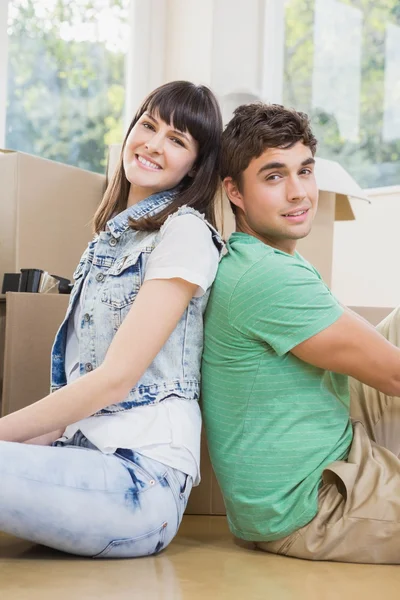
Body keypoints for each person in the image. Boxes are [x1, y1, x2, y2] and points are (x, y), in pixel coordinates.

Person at [0, 80, 224, 558]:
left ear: (195, 167)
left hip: (142, 480)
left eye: (177, 140)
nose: (153, 144)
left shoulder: (184, 232)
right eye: (148, 125)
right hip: (85, 460)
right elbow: (73, 396)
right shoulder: (107, 242)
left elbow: (114, 381)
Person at [201, 102, 400, 564]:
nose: (299, 193)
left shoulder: (274, 257)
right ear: (235, 191)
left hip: (330, 435)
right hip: (309, 504)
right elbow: (394, 376)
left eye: (304, 171)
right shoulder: (266, 278)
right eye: (274, 177)